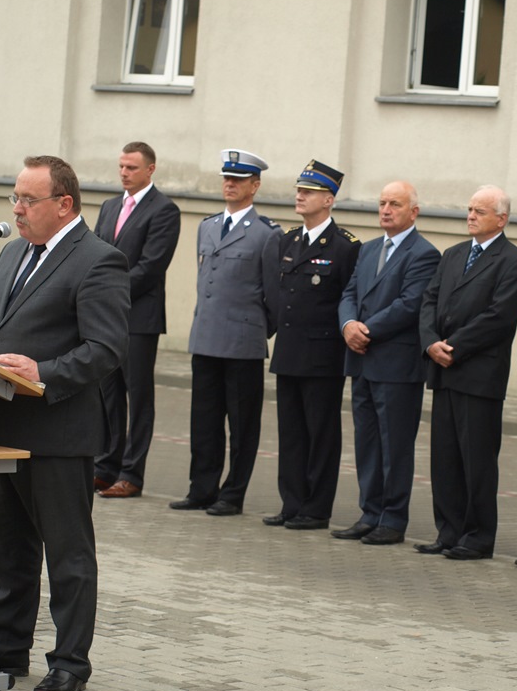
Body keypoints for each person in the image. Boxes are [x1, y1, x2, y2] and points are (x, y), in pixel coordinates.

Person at [0, 156, 130, 691]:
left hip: (58, 432)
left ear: (64, 204)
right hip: (0, 424)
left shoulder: (99, 260)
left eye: (28, 199)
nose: (17, 209)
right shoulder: (10, 253)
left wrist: (43, 372)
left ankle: (70, 661)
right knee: (8, 549)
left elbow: (105, 349)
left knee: (68, 555)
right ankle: (4, 648)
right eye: (15, 198)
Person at [416, 185, 517, 560]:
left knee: (476, 460)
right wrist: (430, 342)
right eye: (469, 209)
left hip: (478, 374)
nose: (470, 216)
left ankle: (478, 536)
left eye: (479, 211)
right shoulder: (453, 254)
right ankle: (448, 531)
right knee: (445, 458)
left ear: (501, 219)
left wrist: (454, 346)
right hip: (443, 369)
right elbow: (429, 300)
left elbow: (499, 316)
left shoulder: (514, 261)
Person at [169, 149, 282, 515]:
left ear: (255, 186)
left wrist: (256, 329)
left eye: (238, 180)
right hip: (206, 337)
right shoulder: (207, 226)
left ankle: (232, 494)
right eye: (226, 178)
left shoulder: (267, 234)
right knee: (204, 421)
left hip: (242, 343)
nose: (229, 184)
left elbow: (274, 296)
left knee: (242, 425)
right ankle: (202, 489)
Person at [331, 181, 440, 545]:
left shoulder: (424, 254)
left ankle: (392, 519)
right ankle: (370, 512)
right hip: (361, 360)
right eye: (382, 203)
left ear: (414, 212)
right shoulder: (369, 249)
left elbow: (410, 304)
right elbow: (349, 293)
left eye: (395, 204)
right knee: (367, 443)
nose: (386, 210)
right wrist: (348, 325)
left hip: (395, 365)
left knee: (395, 446)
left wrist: (366, 330)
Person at [263, 159, 360, 529]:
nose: (300, 196)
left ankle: (316, 508)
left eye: (309, 192)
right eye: (299, 190)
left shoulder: (345, 246)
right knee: (290, 433)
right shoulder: (287, 240)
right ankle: (291, 503)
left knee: (321, 435)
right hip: (289, 351)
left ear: (329, 200)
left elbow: (349, 298)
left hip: (322, 356)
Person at [93, 142, 180, 498]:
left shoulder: (164, 210)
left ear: (150, 169)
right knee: (108, 395)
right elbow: (96, 252)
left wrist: (108, 290)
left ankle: (132, 474)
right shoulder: (110, 206)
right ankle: (105, 467)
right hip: (106, 319)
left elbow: (150, 266)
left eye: (131, 167)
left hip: (139, 319)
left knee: (139, 397)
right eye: (121, 166)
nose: (124, 173)